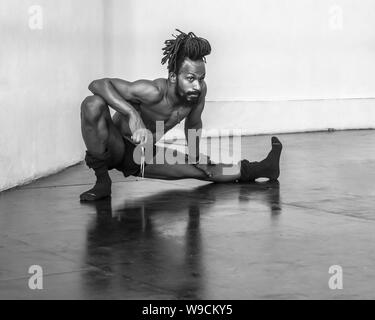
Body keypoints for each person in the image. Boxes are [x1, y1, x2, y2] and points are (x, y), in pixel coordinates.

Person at [79, 29, 282, 201]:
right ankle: (102, 181)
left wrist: (195, 156)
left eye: (201, 79)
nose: (197, 85)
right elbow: (97, 84)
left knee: (207, 171)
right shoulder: (153, 91)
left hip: (142, 155)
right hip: (115, 144)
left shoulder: (197, 93)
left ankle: (264, 168)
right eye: (191, 78)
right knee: (92, 103)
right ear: (174, 76)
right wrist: (133, 115)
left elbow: (193, 124)